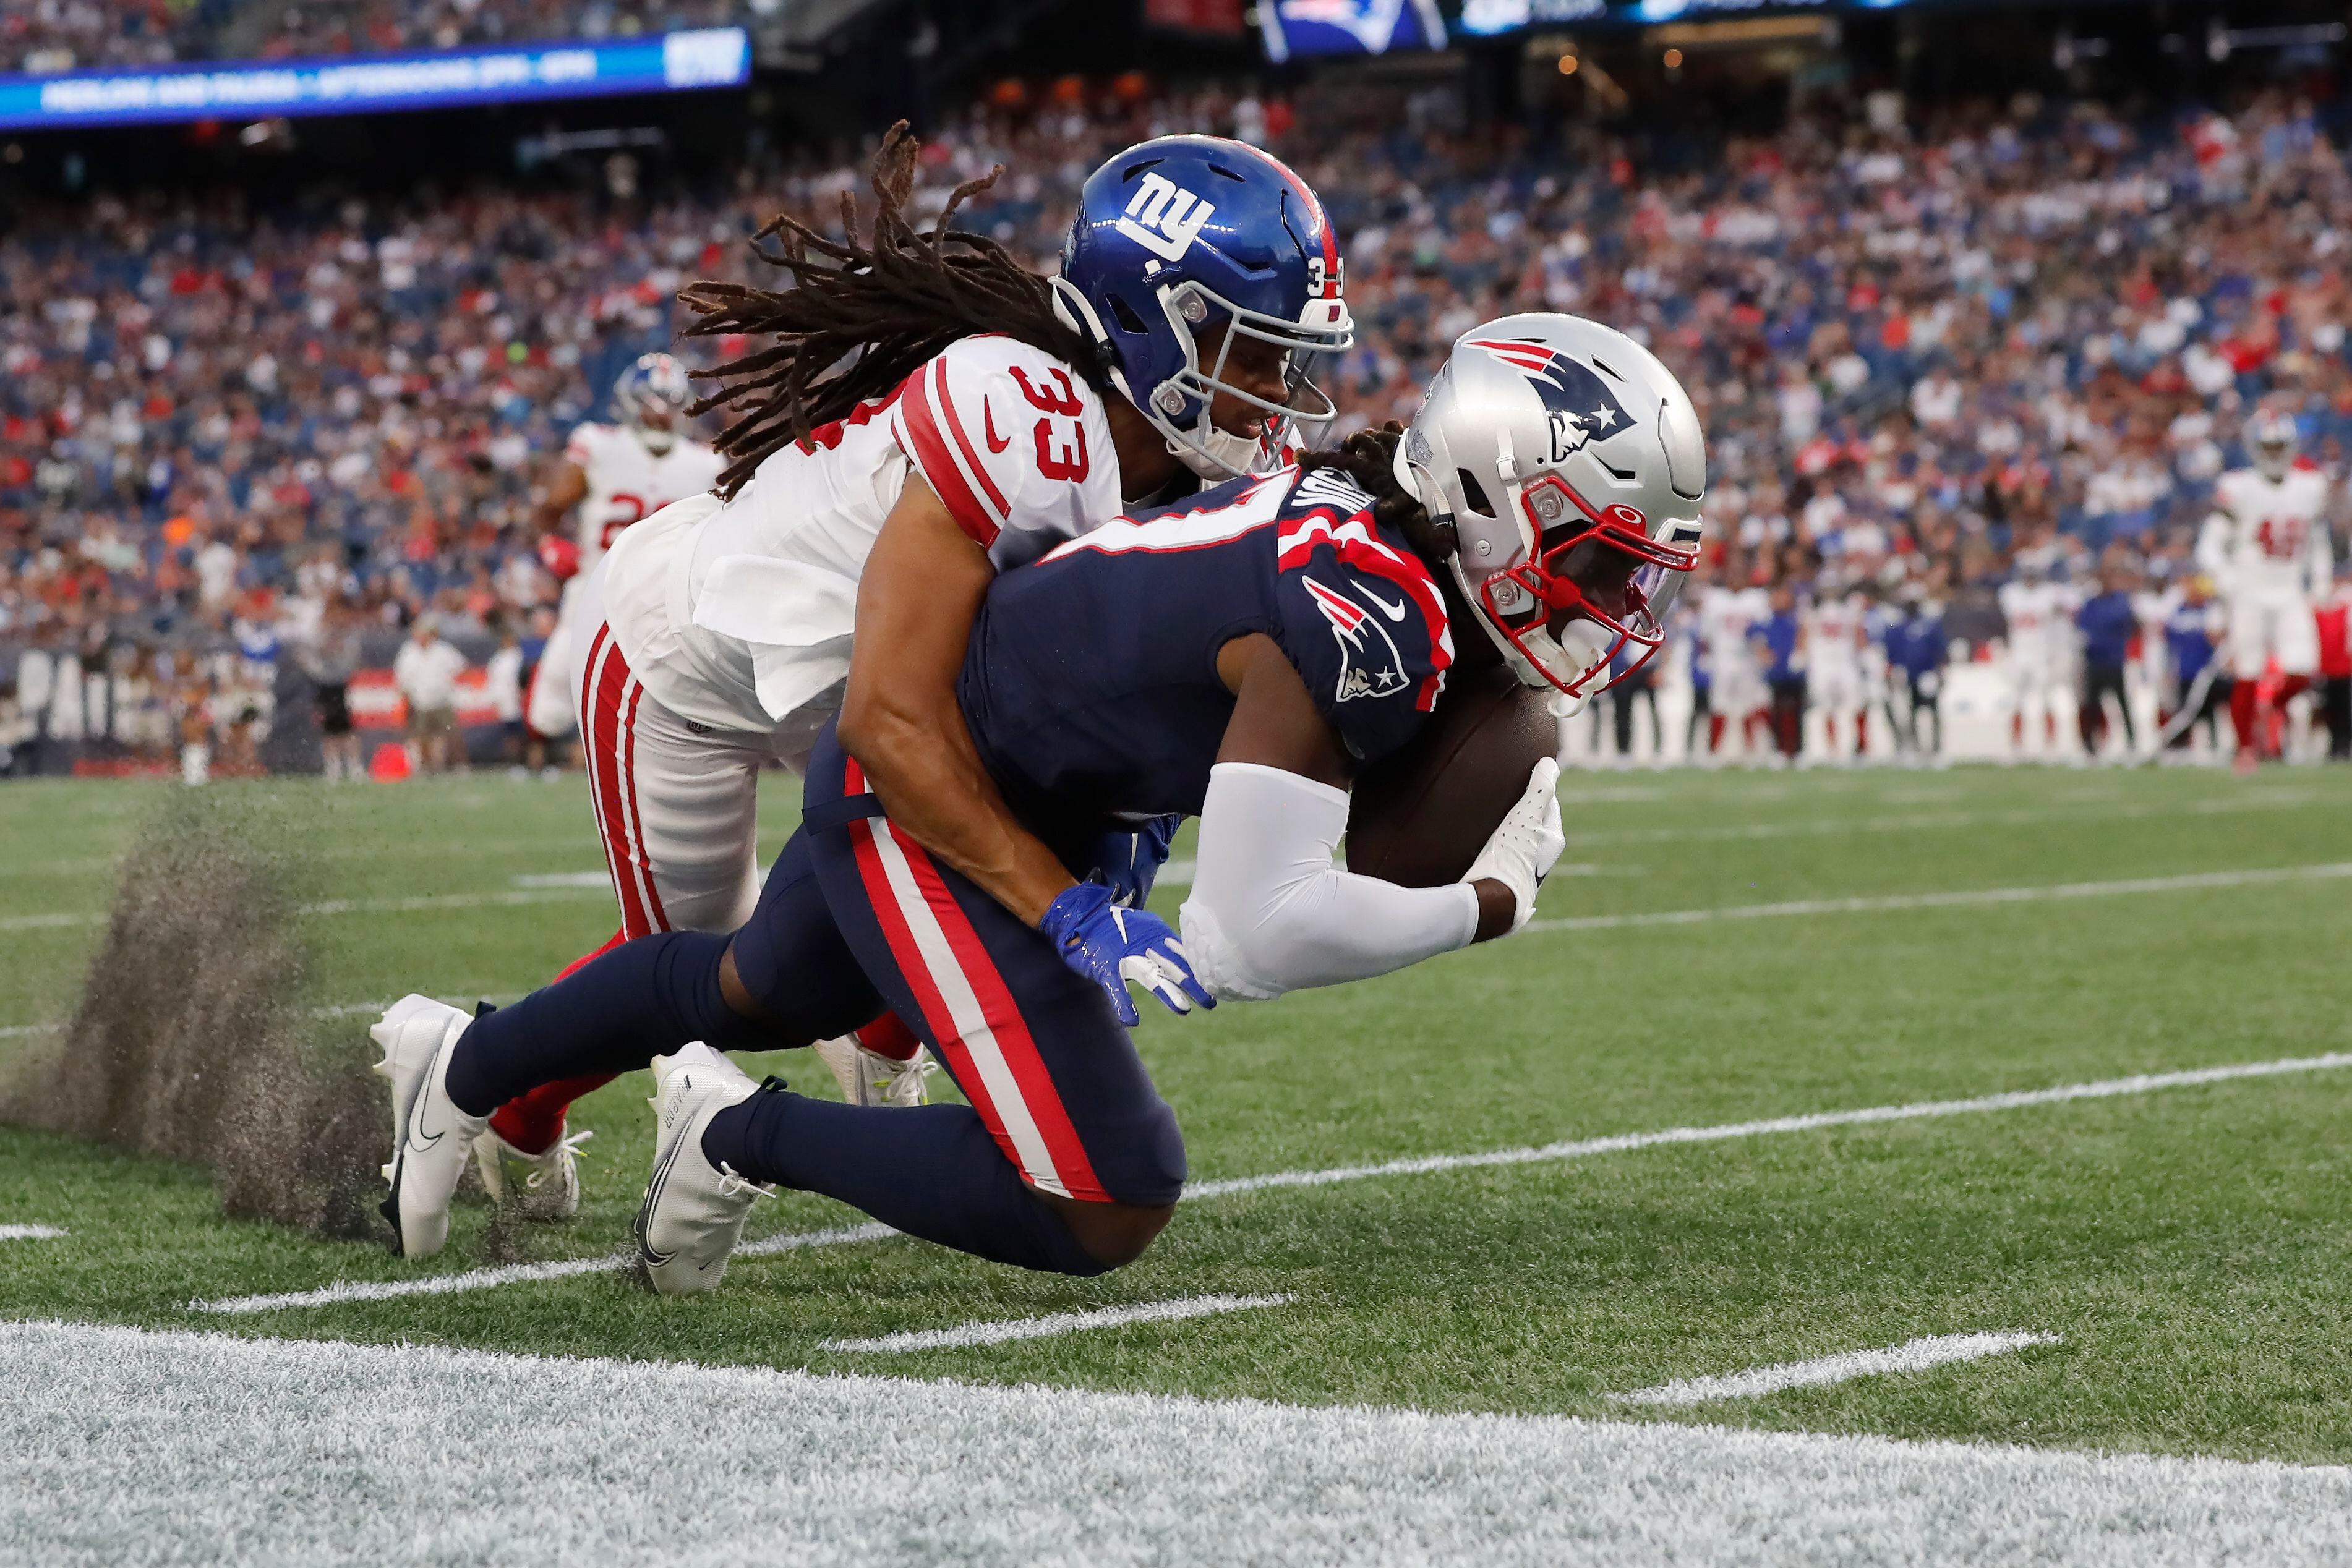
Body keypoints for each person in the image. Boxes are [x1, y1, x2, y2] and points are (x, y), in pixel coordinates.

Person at [368, 313, 1704, 1277]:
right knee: (1109, 1195)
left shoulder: (1368, 545)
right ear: (1483, 494)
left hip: (1019, 776)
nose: (1612, 606)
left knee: (760, 987)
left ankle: (466, 1060)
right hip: (939, 790)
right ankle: (734, 1130)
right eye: (1597, 559)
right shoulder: (1362, 605)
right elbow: (1250, 931)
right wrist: (1485, 901)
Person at [464, 124, 1358, 1210]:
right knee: (697, 966)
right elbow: (894, 723)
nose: (1279, 391)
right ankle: (503, 1104)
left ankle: (885, 1053)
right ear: (1150, 323)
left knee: (912, 862)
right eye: (1254, 353)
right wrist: (1064, 905)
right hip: (691, 658)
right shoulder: (1026, 418)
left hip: (848, 674)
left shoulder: (1149, 460)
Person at [521, 354, 725, 748]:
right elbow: (550, 506)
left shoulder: (705, 463)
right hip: (598, 583)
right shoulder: (598, 444)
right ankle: (545, 761)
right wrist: (551, 545)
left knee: (679, 693)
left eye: (671, 403)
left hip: (668, 595)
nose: (662, 414)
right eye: (653, 402)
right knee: (551, 697)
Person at [2197, 409, 2333, 772]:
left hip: (2289, 587)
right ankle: (2245, 750)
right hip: (2250, 587)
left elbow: (2318, 540)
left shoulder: (2309, 487)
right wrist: (2226, 578)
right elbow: (2209, 545)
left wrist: (2320, 579)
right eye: (2267, 447)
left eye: (2279, 447)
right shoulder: (2239, 487)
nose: (2273, 454)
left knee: (2304, 669)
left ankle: (2264, 711)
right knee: (2248, 670)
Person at [1999, 550, 2067, 761]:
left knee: (2047, 701)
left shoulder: (2050, 593)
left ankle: (2051, 747)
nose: (2029, 577)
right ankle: (2016, 747)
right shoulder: (2010, 593)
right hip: (2019, 654)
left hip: (2042, 654)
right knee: (2017, 702)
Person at [2157, 573, 2230, 757]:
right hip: (2184, 671)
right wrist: (2168, 670)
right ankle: (2174, 743)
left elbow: (2216, 640)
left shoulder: (2209, 612)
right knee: (2187, 711)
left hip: (2205, 671)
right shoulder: (2178, 612)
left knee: (2206, 710)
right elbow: (2169, 644)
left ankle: (2212, 745)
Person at [2075, 561, 2140, 759]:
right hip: (2094, 661)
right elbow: (2083, 628)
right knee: (2092, 706)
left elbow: (2126, 624)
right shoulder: (2091, 603)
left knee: (2122, 703)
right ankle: (2091, 745)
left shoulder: (2120, 601)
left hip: (2114, 660)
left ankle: (2132, 742)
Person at [1803, 572, 1866, 762]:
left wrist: (1863, 654)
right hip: (1824, 663)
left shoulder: (1851, 608)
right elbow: (1804, 633)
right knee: (1826, 707)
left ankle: (1860, 746)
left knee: (1856, 703)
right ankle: (1833, 749)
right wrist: (1803, 655)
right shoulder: (1812, 610)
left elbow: (1858, 633)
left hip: (1845, 661)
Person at [393, 615, 467, 776]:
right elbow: (402, 678)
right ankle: (424, 768)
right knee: (421, 737)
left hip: (442, 701)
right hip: (419, 703)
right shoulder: (408, 652)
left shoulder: (443, 650)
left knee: (448, 735)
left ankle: (453, 766)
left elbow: (461, 667)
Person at [1755, 581, 1805, 765]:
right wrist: (1764, 654)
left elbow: (1803, 634)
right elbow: (1755, 637)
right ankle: (1778, 749)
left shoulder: (1794, 618)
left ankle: (1799, 750)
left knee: (1796, 711)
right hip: (1775, 672)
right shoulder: (1767, 619)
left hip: (1792, 671)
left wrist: (1800, 654)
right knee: (1776, 712)